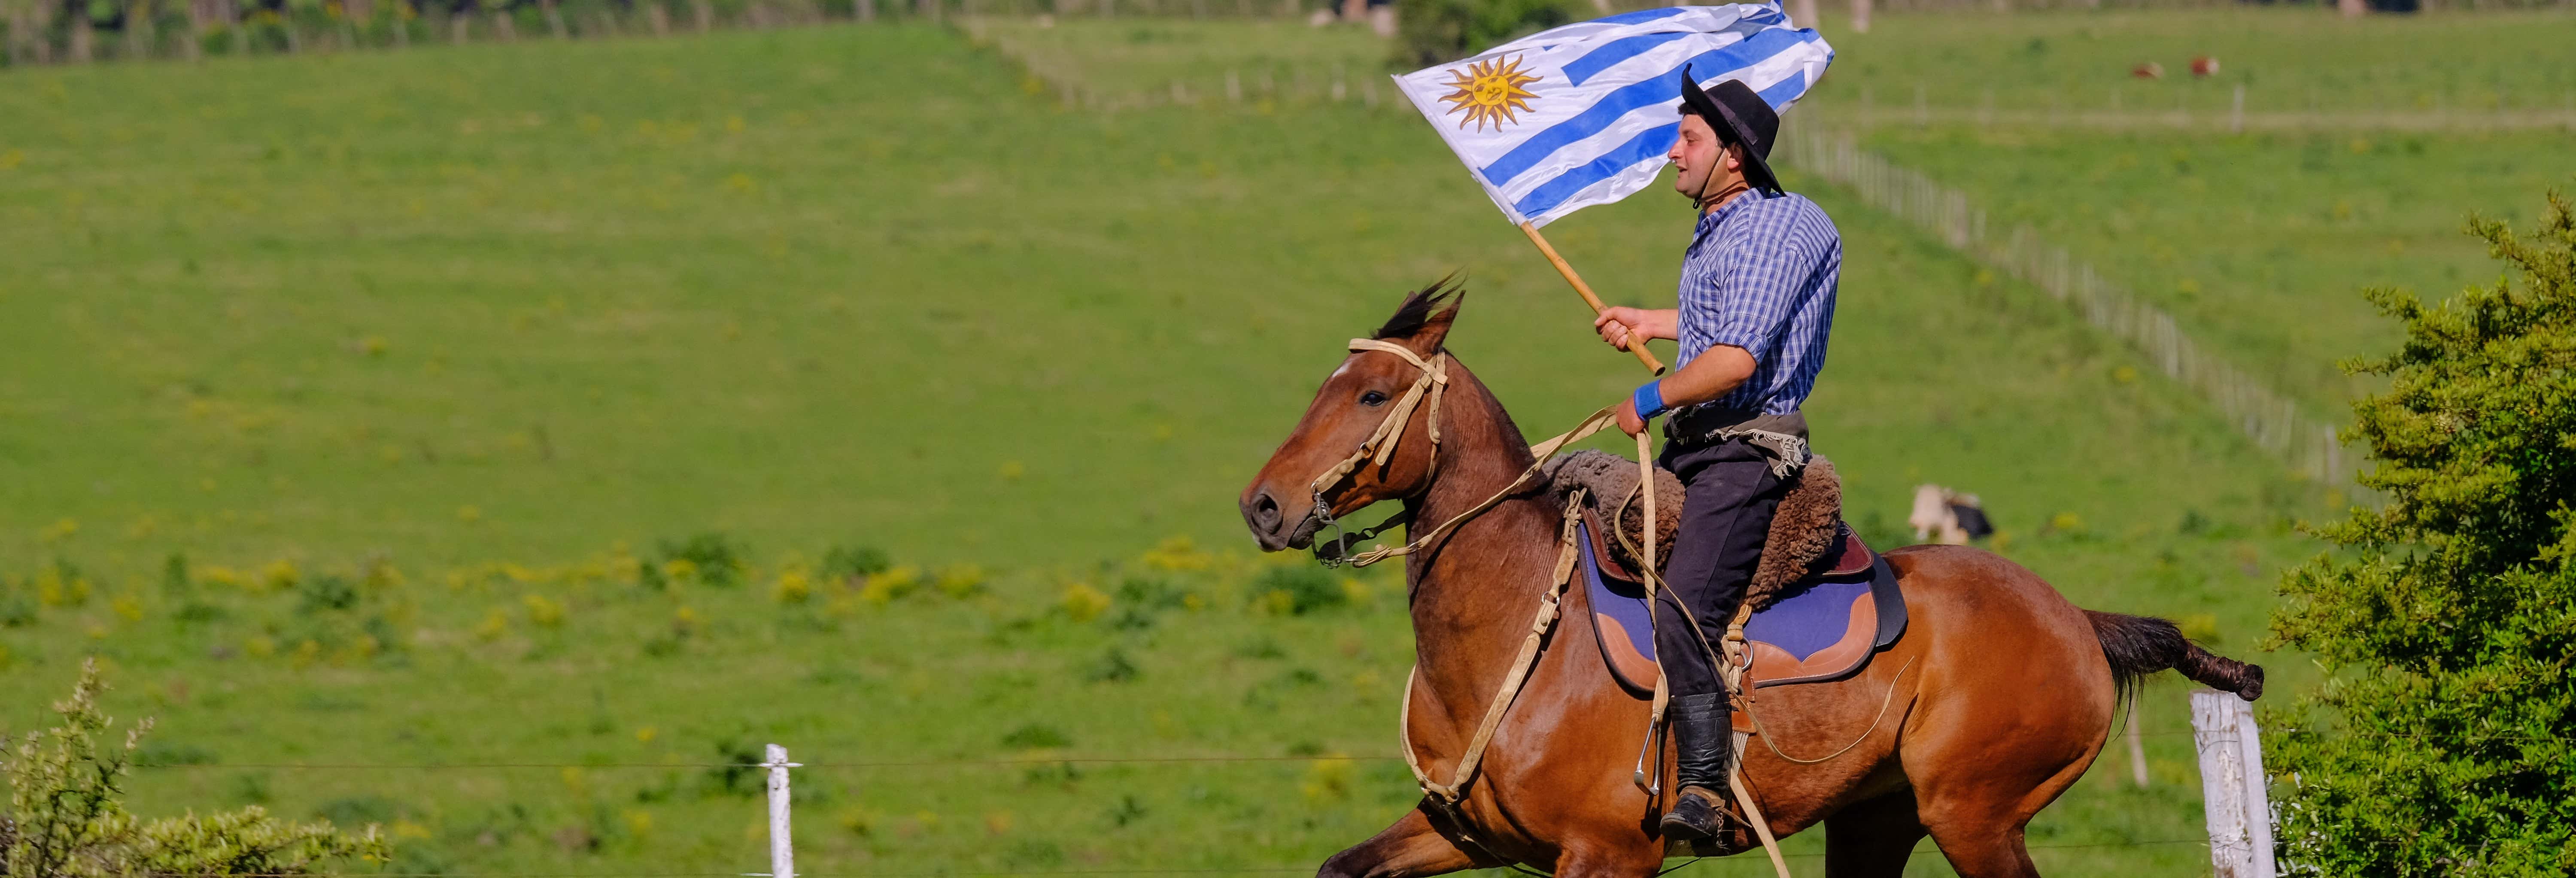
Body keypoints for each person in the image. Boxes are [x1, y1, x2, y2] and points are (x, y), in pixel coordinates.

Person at [1594, 72, 1842, 842]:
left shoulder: (1777, 225)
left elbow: (1735, 358)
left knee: (1683, 606)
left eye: (1688, 139)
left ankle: (1704, 787)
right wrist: (1653, 320)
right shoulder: (1725, 228)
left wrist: (1645, 399)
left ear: (1734, 155)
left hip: (1745, 454)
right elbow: (1718, 324)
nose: (1673, 154)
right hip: (1699, 447)